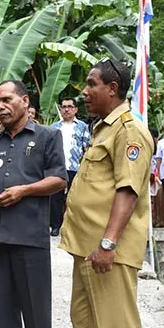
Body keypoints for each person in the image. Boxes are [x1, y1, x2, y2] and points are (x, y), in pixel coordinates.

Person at [59, 59, 153, 328]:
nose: (84, 92)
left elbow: (128, 190)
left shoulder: (129, 131)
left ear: (112, 88)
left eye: (91, 84)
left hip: (107, 251)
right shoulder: (102, 129)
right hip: (87, 248)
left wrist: (108, 243)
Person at [0, 80, 67, 328]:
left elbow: (60, 179)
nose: (0, 106)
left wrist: (24, 190)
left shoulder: (48, 136)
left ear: (25, 101)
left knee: (36, 312)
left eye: (7, 100)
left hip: (31, 237)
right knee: (3, 312)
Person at [50, 97, 91, 236]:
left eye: (69, 106)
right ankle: (56, 226)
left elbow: (87, 148)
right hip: (57, 167)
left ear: (75, 109)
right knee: (55, 198)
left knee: (74, 198)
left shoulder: (82, 126)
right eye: (63, 107)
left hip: (75, 167)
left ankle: (73, 227)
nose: (66, 109)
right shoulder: (54, 127)